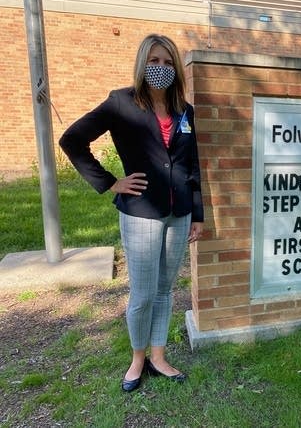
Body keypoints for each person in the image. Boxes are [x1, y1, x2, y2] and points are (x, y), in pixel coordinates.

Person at [59, 34, 204, 392]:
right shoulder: (121, 103)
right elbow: (72, 140)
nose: (161, 68)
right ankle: (137, 360)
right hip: (141, 212)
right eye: (154, 61)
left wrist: (198, 214)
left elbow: (193, 166)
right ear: (142, 64)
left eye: (168, 62)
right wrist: (110, 183)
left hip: (179, 212)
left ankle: (159, 356)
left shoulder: (186, 112)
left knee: (164, 290)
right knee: (142, 292)